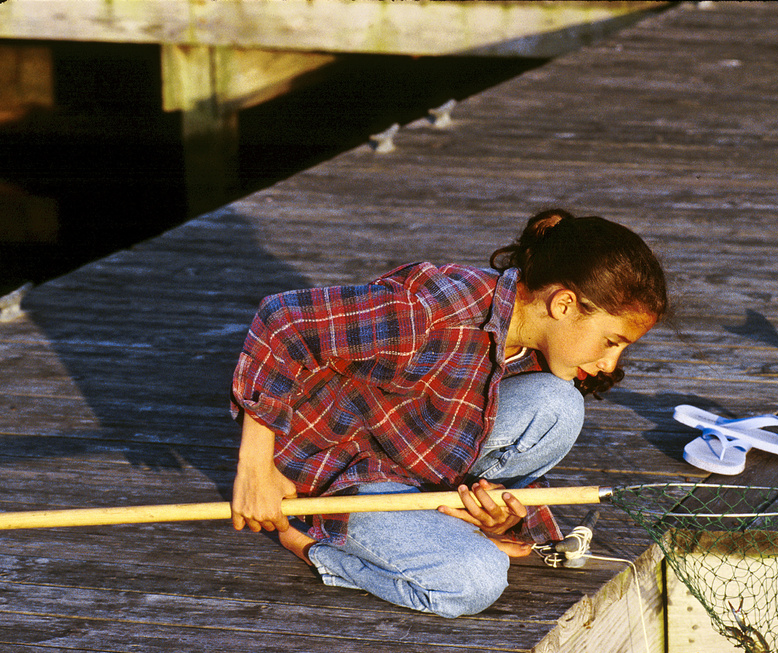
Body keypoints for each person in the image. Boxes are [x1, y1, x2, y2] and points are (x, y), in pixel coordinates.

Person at [228, 209, 668, 617]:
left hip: (413, 459)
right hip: (336, 474)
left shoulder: (534, 341)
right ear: (564, 305)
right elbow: (281, 320)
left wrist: (504, 513)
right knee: (475, 580)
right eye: (612, 342)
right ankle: (312, 543)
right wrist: (255, 468)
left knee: (559, 405)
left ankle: (446, 515)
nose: (611, 364)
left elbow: (482, 424)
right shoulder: (434, 311)